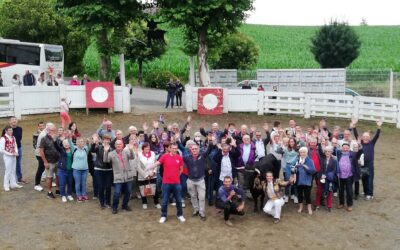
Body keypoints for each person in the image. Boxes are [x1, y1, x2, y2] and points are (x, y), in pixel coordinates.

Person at [150, 143, 185, 223]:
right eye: (173, 148)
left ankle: (180, 215)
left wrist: (176, 176)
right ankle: (163, 215)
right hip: (166, 183)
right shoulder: (165, 156)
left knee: (179, 200)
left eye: (176, 148)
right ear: (169, 148)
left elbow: (181, 169)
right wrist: (149, 167)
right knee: (165, 201)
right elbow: (157, 163)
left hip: (176, 183)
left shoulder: (179, 158)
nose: (174, 150)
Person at [104, 139, 135, 214]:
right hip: (118, 176)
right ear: (115, 146)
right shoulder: (111, 154)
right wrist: (105, 151)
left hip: (128, 175)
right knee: (117, 193)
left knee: (128, 191)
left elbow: (132, 157)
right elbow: (105, 161)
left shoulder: (126, 151)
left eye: (120, 144)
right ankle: (114, 207)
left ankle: (125, 205)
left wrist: (131, 150)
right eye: (117, 144)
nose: (118, 145)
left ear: (122, 145)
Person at [183, 142, 212, 221]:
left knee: (202, 197)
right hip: (190, 180)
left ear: (198, 150)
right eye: (193, 149)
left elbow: (209, 150)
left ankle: (202, 212)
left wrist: (211, 142)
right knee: (193, 196)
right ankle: (196, 210)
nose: (194, 150)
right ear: (190, 150)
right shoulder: (187, 157)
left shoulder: (202, 156)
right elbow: (181, 150)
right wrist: (177, 141)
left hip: (200, 181)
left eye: (196, 149)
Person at [336, 143, 362, 212]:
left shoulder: (353, 154)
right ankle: (341, 203)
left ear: (349, 148)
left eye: (346, 148)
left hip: (349, 176)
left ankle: (349, 205)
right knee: (341, 191)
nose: (345, 149)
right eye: (343, 148)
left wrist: (360, 147)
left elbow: (359, 153)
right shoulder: (339, 154)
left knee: (349, 191)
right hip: (340, 176)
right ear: (342, 148)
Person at [361, 120, 382, 200]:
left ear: (369, 138)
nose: (365, 138)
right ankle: (365, 191)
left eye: (367, 136)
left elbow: (377, 136)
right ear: (362, 138)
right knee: (363, 178)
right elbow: (356, 136)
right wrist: (354, 127)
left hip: (369, 164)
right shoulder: (361, 143)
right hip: (362, 163)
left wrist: (379, 127)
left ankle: (370, 194)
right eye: (364, 136)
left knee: (370, 178)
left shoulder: (371, 143)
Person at [91, 134, 113, 209]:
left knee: (108, 187)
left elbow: (111, 161)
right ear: (103, 140)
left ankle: (108, 202)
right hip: (99, 170)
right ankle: (102, 203)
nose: (106, 141)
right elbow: (93, 150)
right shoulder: (99, 147)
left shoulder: (112, 149)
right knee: (101, 187)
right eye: (105, 139)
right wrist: (94, 142)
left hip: (108, 170)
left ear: (110, 141)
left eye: (108, 139)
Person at [137, 142, 161, 209]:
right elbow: (138, 167)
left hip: (152, 175)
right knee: (143, 189)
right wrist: (146, 175)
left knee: (154, 189)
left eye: (149, 147)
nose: (148, 148)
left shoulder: (153, 153)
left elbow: (156, 164)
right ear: (143, 148)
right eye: (146, 147)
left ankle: (157, 203)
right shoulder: (139, 155)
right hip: (142, 176)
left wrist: (154, 172)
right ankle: (144, 203)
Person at [39, 123, 60, 199]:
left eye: (55, 130)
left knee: (58, 176)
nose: (54, 131)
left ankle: (58, 189)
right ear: (48, 130)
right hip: (49, 161)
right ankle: (49, 192)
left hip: (58, 160)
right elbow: (41, 151)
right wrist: (45, 162)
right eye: (52, 130)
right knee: (49, 177)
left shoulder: (57, 137)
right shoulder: (44, 139)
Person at [0, 126, 23, 191]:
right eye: (9, 130)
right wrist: (10, 154)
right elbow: (1, 150)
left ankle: (13, 183)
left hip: (13, 156)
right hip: (7, 157)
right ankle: (6, 185)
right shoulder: (3, 138)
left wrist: (16, 152)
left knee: (13, 170)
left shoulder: (13, 137)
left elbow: (15, 145)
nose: (11, 131)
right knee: (8, 171)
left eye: (11, 130)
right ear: (6, 131)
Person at [295, 147, 316, 215]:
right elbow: (294, 170)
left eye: (304, 152)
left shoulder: (310, 161)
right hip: (299, 181)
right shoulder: (297, 160)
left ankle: (309, 208)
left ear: (306, 153)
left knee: (307, 196)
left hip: (307, 181)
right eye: (301, 152)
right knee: (300, 195)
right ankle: (301, 207)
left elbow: (313, 171)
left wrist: (306, 168)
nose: (302, 154)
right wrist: (295, 168)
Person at [70, 137, 90, 202]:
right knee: (78, 183)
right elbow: (70, 143)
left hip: (85, 169)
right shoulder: (74, 149)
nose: (81, 143)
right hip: (76, 170)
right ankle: (79, 195)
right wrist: (68, 137)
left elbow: (89, 146)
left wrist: (88, 142)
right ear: (77, 143)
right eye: (80, 141)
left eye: (82, 141)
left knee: (84, 183)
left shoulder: (85, 149)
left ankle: (84, 194)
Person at [318, 145, 337, 212]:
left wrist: (326, 175)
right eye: (326, 151)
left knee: (329, 192)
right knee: (319, 191)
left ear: (331, 152)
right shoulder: (323, 159)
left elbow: (334, 170)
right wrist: (321, 175)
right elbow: (321, 169)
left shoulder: (334, 160)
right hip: (322, 177)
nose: (327, 153)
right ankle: (317, 204)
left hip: (329, 178)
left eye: (329, 151)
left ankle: (329, 206)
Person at [9, 117, 27, 184]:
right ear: (10, 122)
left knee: (18, 164)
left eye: (15, 120)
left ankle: (19, 178)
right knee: (10, 164)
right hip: (10, 150)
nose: (14, 121)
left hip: (19, 148)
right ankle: (10, 180)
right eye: (13, 120)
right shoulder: (7, 129)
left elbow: (19, 138)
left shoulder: (20, 129)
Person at [33, 122, 46, 191]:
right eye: (40, 126)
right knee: (41, 167)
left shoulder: (45, 133)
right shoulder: (36, 134)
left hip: (44, 152)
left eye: (43, 126)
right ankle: (37, 184)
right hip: (39, 153)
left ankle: (44, 177)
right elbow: (35, 144)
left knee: (44, 167)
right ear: (38, 127)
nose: (42, 127)